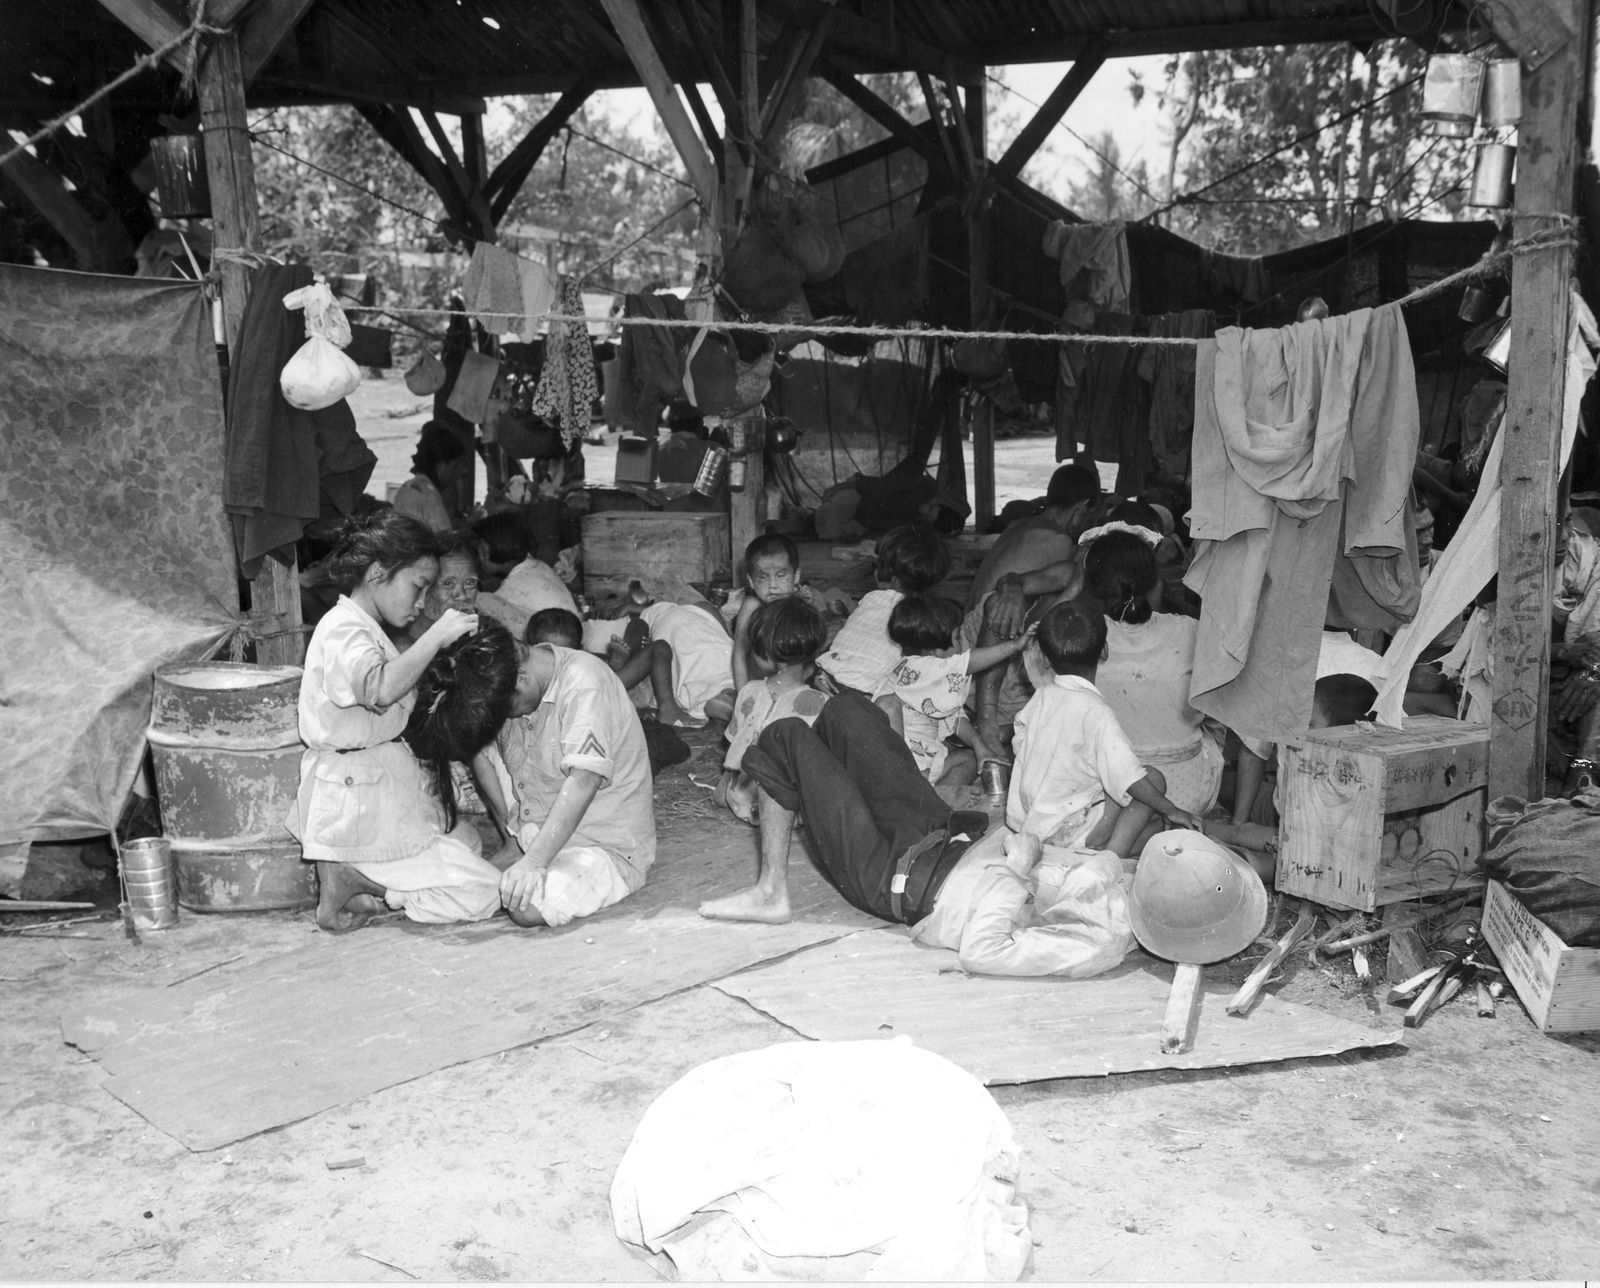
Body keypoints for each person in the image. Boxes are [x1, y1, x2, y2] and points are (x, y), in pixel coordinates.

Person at [697, 689, 1137, 980]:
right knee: (847, 710)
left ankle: (771, 891)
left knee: (785, 737)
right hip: (947, 834)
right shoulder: (1136, 881)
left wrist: (1018, 869)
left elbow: (983, 952)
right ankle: (810, 791)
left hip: (906, 882)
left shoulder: (1097, 942)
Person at [285, 510, 504, 932]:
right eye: (418, 587)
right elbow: (381, 689)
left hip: (376, 786)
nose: (422, 603)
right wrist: (438, 635)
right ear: (378, 573)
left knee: (468, 843)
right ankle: (362, 884)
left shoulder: (363, 627)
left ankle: (359, 884)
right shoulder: (345, 631)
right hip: (360, 799)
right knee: (489, 891)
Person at [474, 635, 656, 927]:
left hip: (600, 844)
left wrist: (534, 862)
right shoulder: (517, 681)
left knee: (525, 907)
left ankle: (531, 859)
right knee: (478, 746)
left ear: (521, 677)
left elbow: (584, 780)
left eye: (508, 705)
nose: (507, 715)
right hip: (538, 826)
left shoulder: (585, 682)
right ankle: (515, 845)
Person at [1010, 600, 1203, 857]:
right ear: (1104, 651)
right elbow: (1129, 777)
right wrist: (1172, 809)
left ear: (1045, 659)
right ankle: (1109, 859)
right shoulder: (1097, 714)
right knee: (1153, 780)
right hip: (1071, 828)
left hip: (1033, 825)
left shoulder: (1040, 698)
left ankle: (1093, 849)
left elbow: (1020, 746)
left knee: (1153, 826)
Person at [1082, 530, 1223, 817]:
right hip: (1188, 791)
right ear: (1157, 583)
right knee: (1212, 724)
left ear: (1092, 588)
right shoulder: (1190, 630)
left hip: (1110, 792)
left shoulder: (1080, 635)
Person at [885, 596, 1031, 787]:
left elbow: (954, 718)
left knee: (969, 760)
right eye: (957, 637)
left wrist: (979, 746)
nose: (962, 643)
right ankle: (930, 801)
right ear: (934, 650)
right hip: (908, 767)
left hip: (924, 765)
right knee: (963, 762)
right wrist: (1014, 646)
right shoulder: (918, 668)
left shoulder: (928, 677)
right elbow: (968, 662)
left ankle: (935, 801)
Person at [814, 523, 949, 717]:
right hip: (865, 695)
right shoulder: (925, 617)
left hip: (824, 676)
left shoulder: (872, 598)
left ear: (887, 575)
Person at [716, 597, 831, 823]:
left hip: (740, 797)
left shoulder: (748, 692)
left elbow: (734, 744)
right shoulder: (820, 701)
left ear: (768, 654)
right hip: (791, 810)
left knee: (722, 791)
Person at [730, 533, 827, 692]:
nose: (773, 585)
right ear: (751, 581)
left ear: (796, 576)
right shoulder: (752, 606)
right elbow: (739, 654)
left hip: (797, 684)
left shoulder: (801, 602)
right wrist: (742, 696)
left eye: (781, 576)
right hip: (761, 685)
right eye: (763, 578)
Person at [473, 510, 580, 639]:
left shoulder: (511, 588)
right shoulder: (537, 565)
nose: (480, 558)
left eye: (482, 551)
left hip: (557, 643)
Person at [392, 421, 471, 534]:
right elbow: (445, 540)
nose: (457, 472)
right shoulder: (429, 493)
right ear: (441, 465)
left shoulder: (411, 486)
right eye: (454, 467)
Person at [404, 537, 481, 645]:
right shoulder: (410, 647)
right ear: (425, 590)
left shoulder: (481, 630)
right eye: (448, 584)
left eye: (470, 583)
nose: (463, 596)